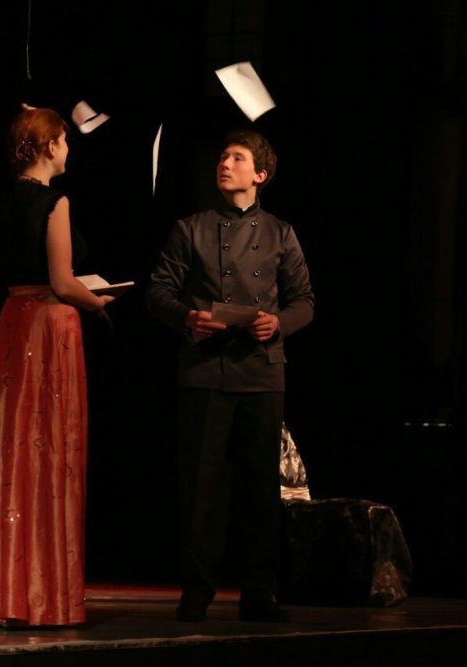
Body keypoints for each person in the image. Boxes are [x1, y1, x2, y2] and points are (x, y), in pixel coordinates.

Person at [0, 106, 114, 627]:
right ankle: (36, 593)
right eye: (64, 141)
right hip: (49, 328)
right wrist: (99, 302)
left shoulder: (4, 199)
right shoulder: (55, 201)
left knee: (5, 445)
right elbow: (62, 281)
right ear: (50, 145)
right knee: (45, 448)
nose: (68, 150)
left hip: (13, 323)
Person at [145, 130, 314, 623]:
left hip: (262, 373)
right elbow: (157, 291)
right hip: (205, 370)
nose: (224, 163)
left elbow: (305, 301)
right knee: (201, 491)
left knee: (261, 490)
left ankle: (260, 593)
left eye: (237, 158)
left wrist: (277, 323)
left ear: (260, 174)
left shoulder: (281, 233)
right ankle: (196, 593)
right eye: (222, 156)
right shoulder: (191, 228)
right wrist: (187, 317)